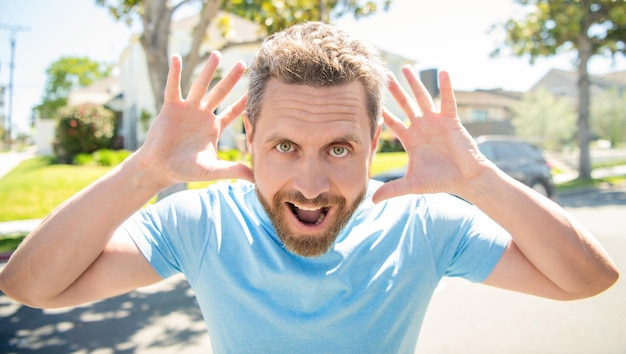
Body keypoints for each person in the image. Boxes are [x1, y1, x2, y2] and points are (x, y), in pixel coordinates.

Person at [0, 22, 619, 353]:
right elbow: (31, 287)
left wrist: (480, 179)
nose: (311, 183)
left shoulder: (424, 224)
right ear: (248, 138)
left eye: (341, 148)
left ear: (375, 144)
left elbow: (588, 281)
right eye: (285, 146)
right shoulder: (202, 222)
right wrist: (144, 172)